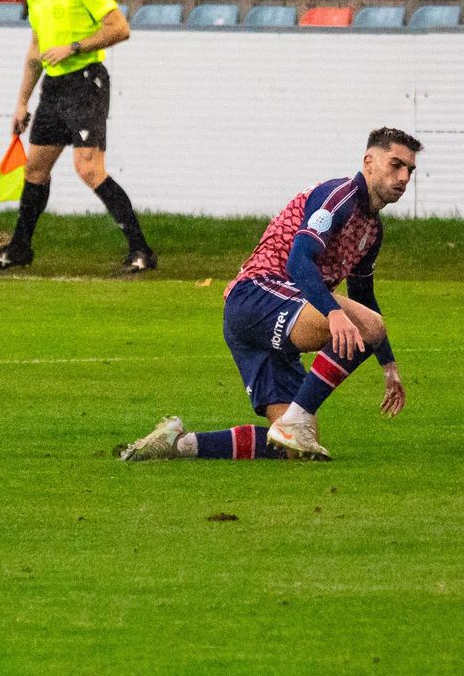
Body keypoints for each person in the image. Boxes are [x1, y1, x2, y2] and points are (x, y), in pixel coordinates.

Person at [115, 128, 422, 463]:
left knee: (293, 448)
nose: (404, 177)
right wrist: (335, 314)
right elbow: (298, 261)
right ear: (369, 161)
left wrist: (388, 365)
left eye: (410, 169)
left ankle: (179, 444)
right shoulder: (339, 197)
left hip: (261, 317)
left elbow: (363, 296)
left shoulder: (372, 230)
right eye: (396, 165)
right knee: (366, 327)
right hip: (258, 295)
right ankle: (296, 419)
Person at [0, 0, 156, 276]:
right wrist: (21, 101)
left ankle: (141, 250)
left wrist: (75, 47)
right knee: (35, 169)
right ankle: (20, 248)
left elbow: (120, 28)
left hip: (85, 82)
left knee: (88, 169)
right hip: (54, 86)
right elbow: (35, 50)